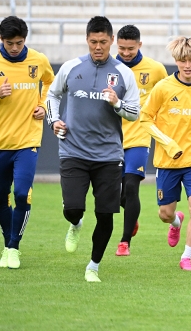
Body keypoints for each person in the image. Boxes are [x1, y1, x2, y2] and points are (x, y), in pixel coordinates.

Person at [47, 16, 140, 282]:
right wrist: (54, 121)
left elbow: (135, 112)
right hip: (73, 151)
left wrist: (117, 103)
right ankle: (75, 224)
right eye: (93, 42)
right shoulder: (71, 67)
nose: (98, 47)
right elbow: (52, 95)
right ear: (87, 40)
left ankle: (93, 266)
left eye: (102, 42)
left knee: (105, 213)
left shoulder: (123, 73)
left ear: (111, 40)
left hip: (109, 156)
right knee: (73, 209)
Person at [140, 36, 191, 271]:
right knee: (164, 213)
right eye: (182, 61)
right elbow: (145, 118)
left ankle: (187, 257)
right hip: (168, 161)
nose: (187, 66)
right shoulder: (163, 87)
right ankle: (176, 222)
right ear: (176, 61)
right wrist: (168, 143)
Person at [0, 16, 54, 269]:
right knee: (0, 196)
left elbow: (51, 82)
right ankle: (7, 244)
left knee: (21, 194)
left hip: (28, 140)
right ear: (0, 40)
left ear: (25, 39)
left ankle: (14, 247)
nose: (14, 48)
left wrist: (43, 106)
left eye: (19, 42)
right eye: (9, 43)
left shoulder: (38, 60)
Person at [113, 25, 168, 256]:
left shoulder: (155, 69)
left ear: (140, 45)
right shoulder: (107, 66)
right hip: (110, 139)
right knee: (116, 194)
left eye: (131, 48)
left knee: (132, 186)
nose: (126, 53)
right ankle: (131, 217)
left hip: (139, 136)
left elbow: (167, 97)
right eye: (122, 48)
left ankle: (125, 242)